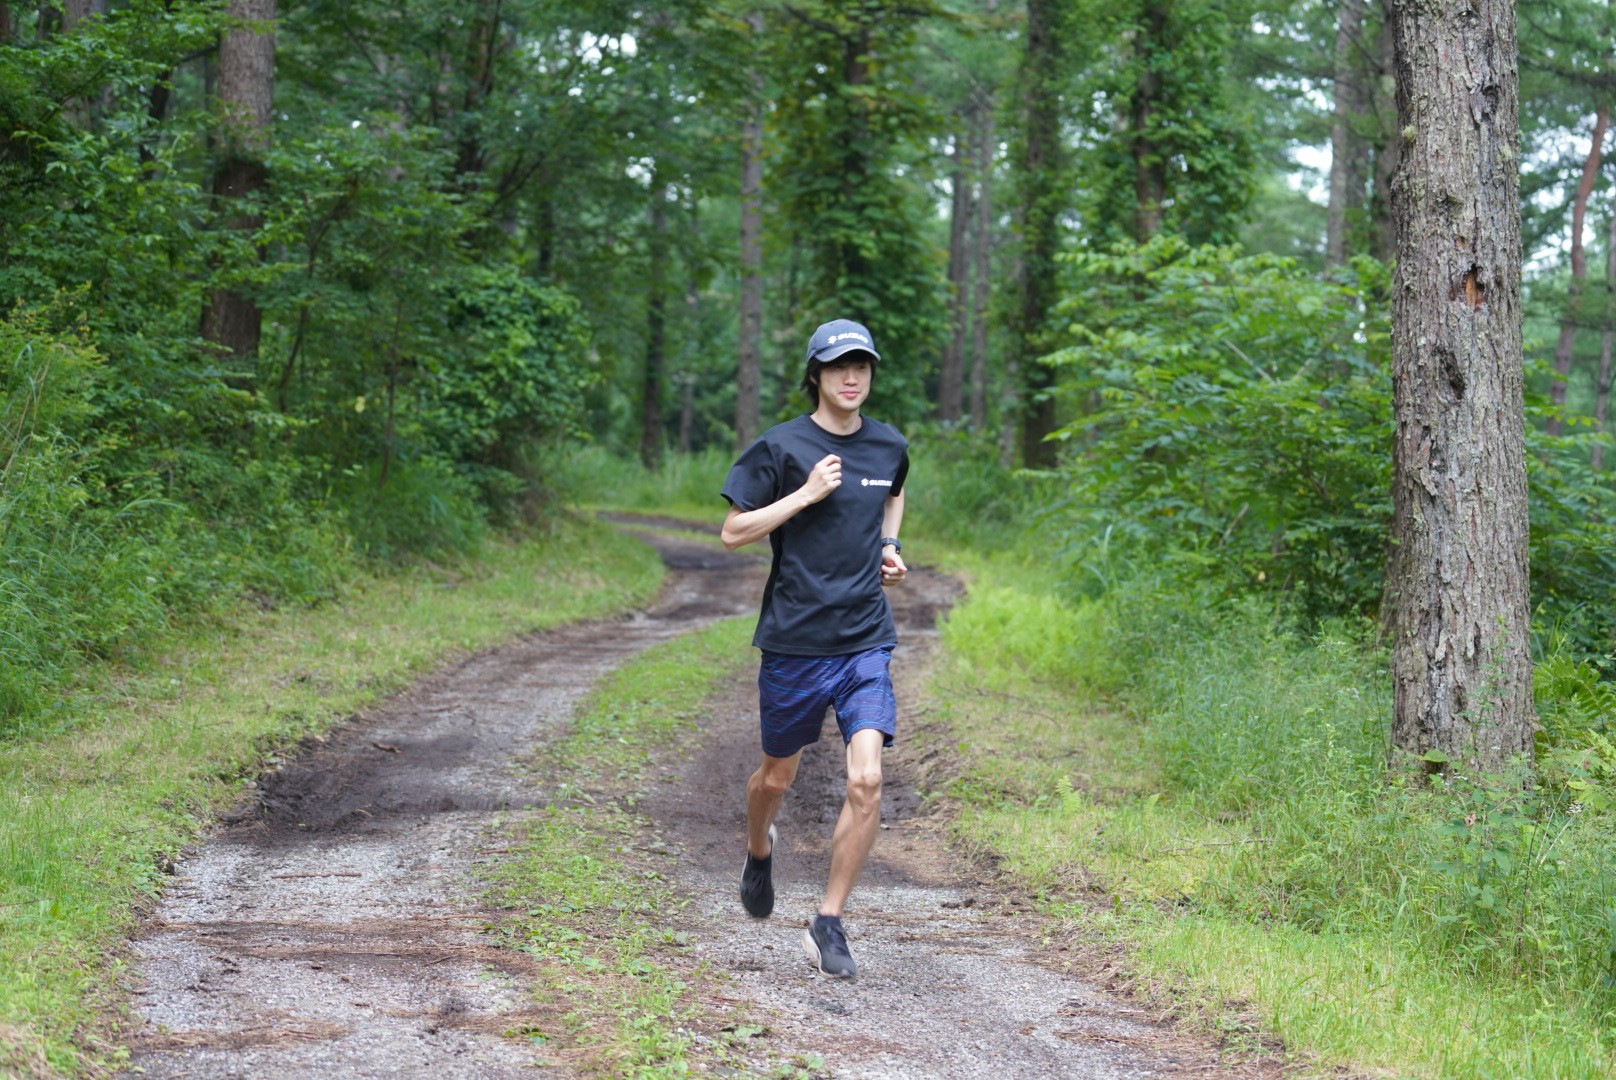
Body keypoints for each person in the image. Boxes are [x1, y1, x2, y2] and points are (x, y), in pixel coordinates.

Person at [719, 317, 909, 979]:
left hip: (864, 639)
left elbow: (894, 489)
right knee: (776, 777)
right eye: (837, 367)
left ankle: (827, 922)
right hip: (795, 642)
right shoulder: (781, 447)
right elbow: (733, 530)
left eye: (861, 366)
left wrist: (889, 546)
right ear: (815, 376)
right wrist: (804, 494)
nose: (851, 377)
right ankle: (757, 848)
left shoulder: (888, 446)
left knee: (866, 779)